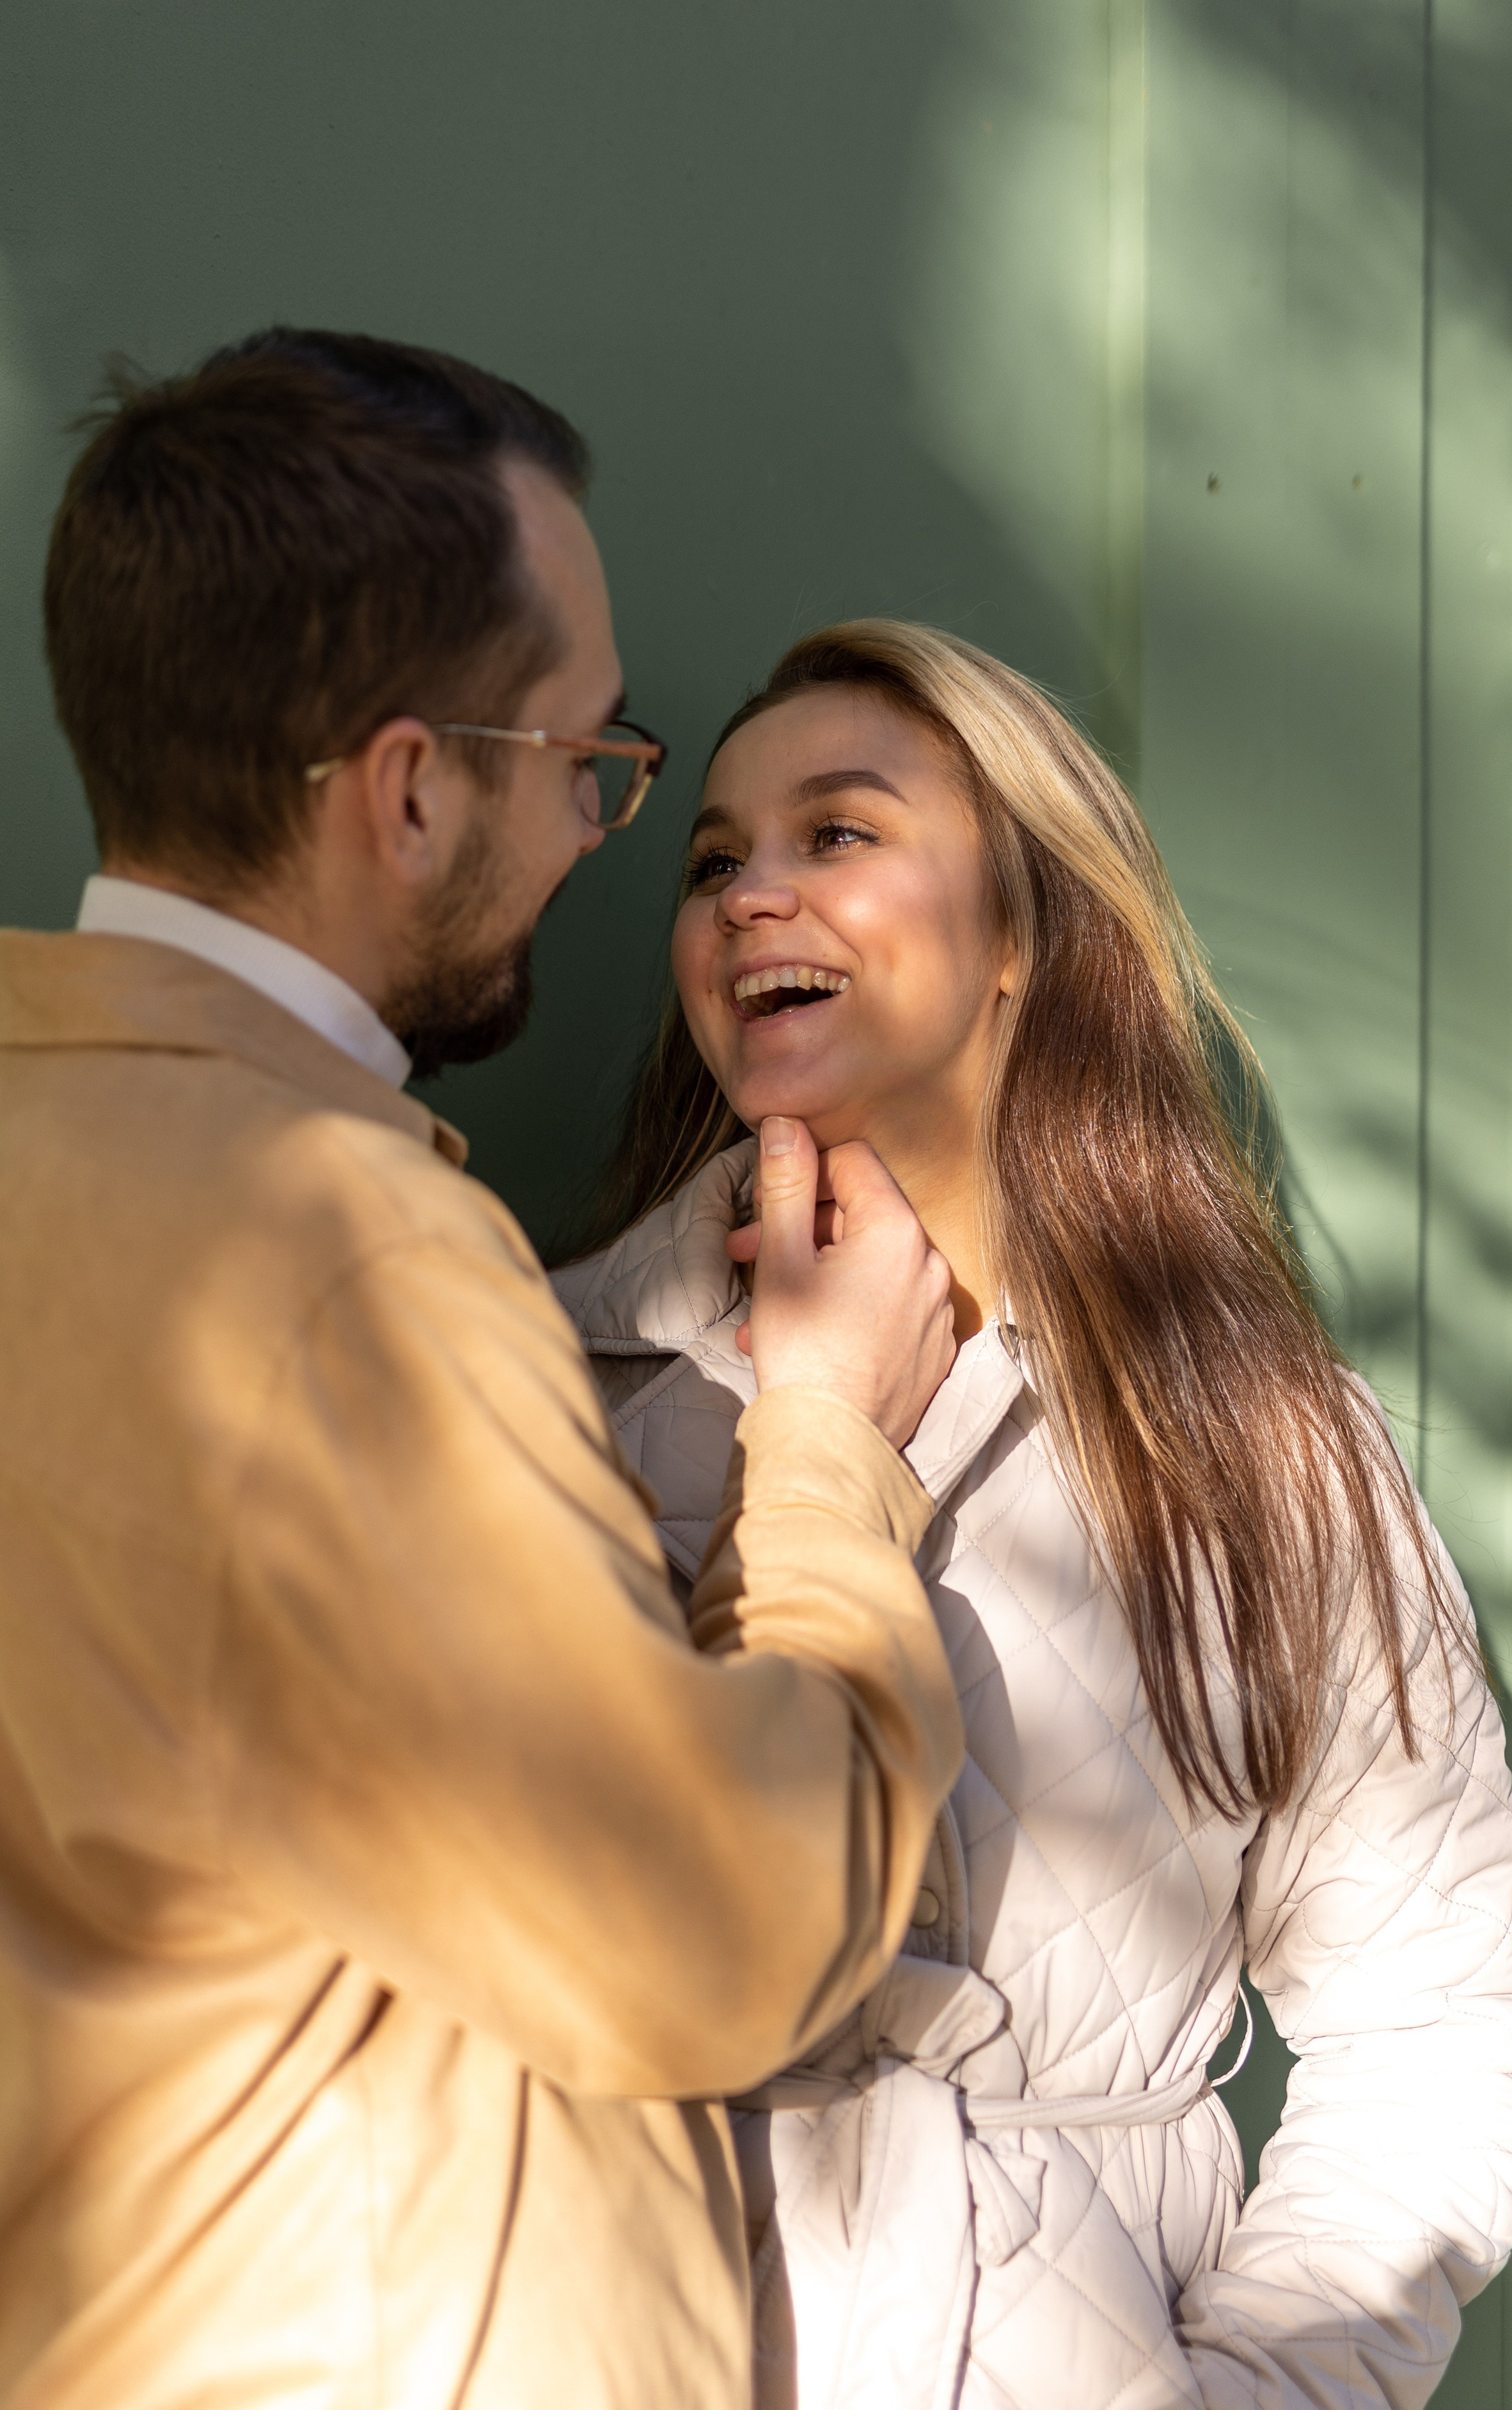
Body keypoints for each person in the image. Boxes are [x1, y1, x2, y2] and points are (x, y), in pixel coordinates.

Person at [0, 340, 970, 2410]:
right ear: (408, 788)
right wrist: (827, 1448)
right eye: (590, 766)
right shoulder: (338, 1259)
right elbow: (709, 1936)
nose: (608, 840)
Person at [553, 617, 1512, 2410]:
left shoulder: (1273, 1457)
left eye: (835, 834)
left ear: (1020, 939)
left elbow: (1443, 2018)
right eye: (711, 859)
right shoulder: (552, 1390)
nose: (750, 895)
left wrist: (1259, 2388)